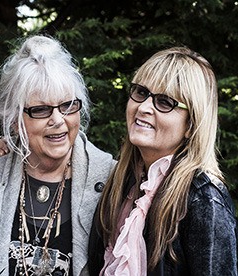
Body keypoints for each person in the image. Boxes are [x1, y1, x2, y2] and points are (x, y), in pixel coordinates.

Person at [0, 35, 115, 276]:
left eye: (67, 106)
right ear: (14, 121)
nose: (58, 120)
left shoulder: (112, 181)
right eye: (41, 110)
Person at [88, 47, 237, 275]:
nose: (144, 107)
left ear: (190, 125)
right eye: (140, 92)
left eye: (165, 102)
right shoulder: (125, 182)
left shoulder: (204, 201)